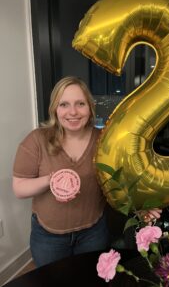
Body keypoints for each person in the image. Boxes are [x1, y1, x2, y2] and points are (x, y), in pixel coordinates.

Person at [13, 76, 161, 267]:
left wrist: (141, 206)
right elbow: (19, 188)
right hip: (48, 237)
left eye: (80, 104)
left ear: (90, 107)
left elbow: (122, 183)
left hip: (93, 233)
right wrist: (51, 180)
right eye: (64, 104)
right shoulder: (36, 140)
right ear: (55, 109)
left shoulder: (104, 142)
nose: (72, 112)